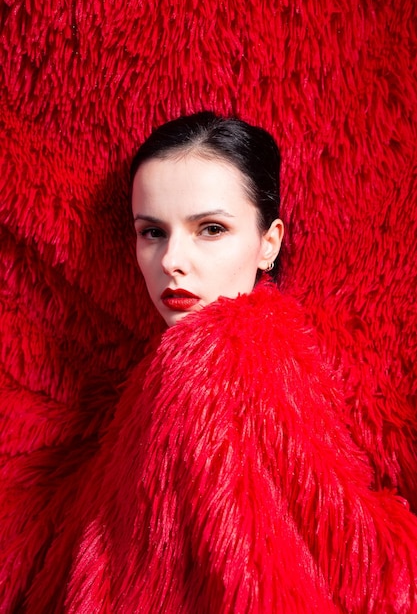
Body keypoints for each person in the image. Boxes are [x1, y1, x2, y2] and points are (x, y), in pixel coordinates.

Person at [11, 113, 417, 612]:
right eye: (152, 232)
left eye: (210, 228)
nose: (171, 260)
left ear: (268, 243)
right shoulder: (229, 358)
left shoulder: (211, 368)